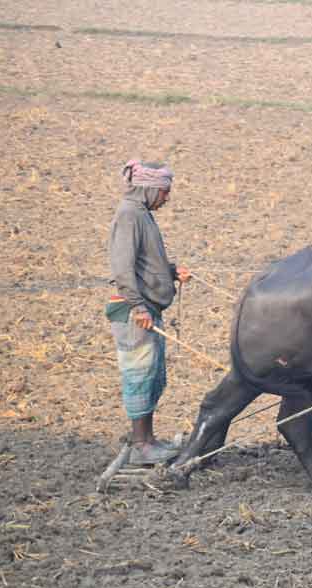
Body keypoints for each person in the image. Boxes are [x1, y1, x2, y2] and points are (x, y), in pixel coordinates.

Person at [105, 160, 191, 465]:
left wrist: (170, 272)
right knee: (139, 374)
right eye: (165, 191)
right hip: (134, 310)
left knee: (152, 374)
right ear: (151, 188)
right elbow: (122, 268)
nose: (167, 197)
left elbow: (145, 263)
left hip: (146, 306)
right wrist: (138, 306)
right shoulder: (129, 215)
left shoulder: (142, 213)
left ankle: (148, 439)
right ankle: (141, 444)